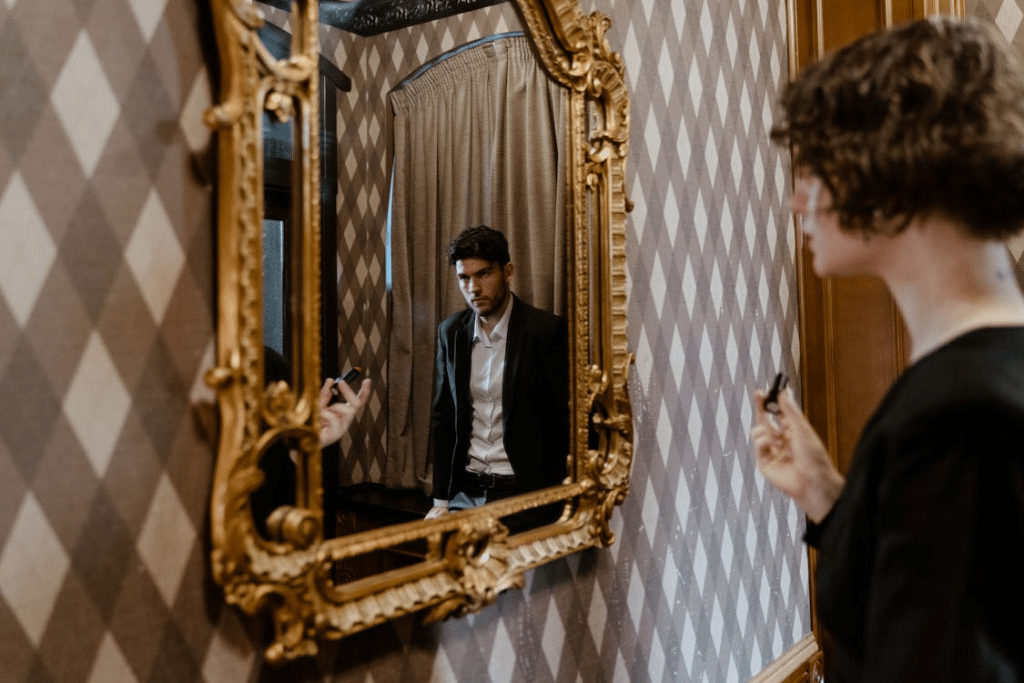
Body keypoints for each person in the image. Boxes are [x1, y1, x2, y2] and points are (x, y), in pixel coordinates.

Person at [751, 16, 1024, 682]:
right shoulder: (989, 370)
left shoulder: (955, 415)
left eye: (813, 169)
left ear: (895, 167)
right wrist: (830, 498)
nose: (795, 202)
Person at [426, 226, 569, 527]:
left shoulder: (545, 332)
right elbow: (443, 417)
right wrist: (441, 501)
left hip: (523, 493)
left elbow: (563, 424)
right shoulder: (451, 332)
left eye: (484, 274)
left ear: (508, 271)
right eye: (464, 278)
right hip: (465, 493)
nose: (473, 288)